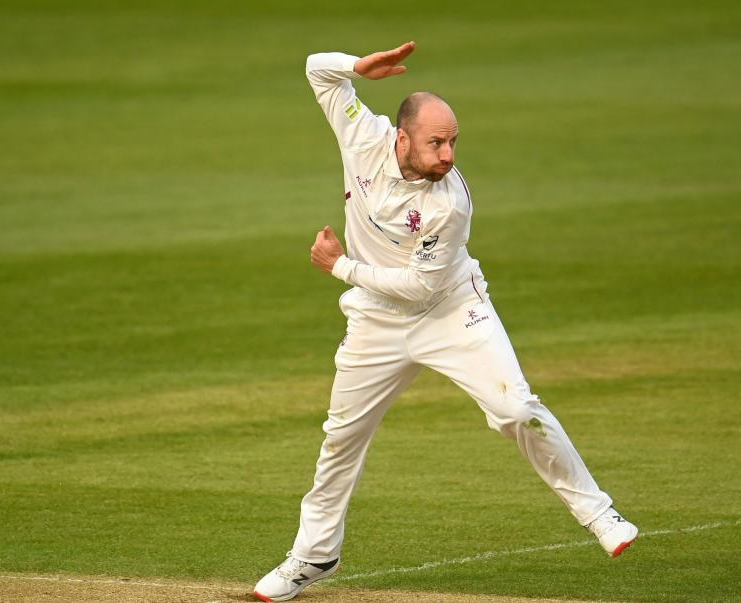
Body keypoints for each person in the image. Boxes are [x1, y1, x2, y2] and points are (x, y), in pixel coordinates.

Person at [253, 41, 637, 603]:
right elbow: (317, 70)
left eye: (454, 141)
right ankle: (314, 556)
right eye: (437, 142)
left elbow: (420, 287)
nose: (449, 154)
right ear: (401, 138)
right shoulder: (364, 134)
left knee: (515, 407)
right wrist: (357, 67)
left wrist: (342, 267)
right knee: (342, 439)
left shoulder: (449, 203)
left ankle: (599, 515)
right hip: (375, 324)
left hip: (451, 311)